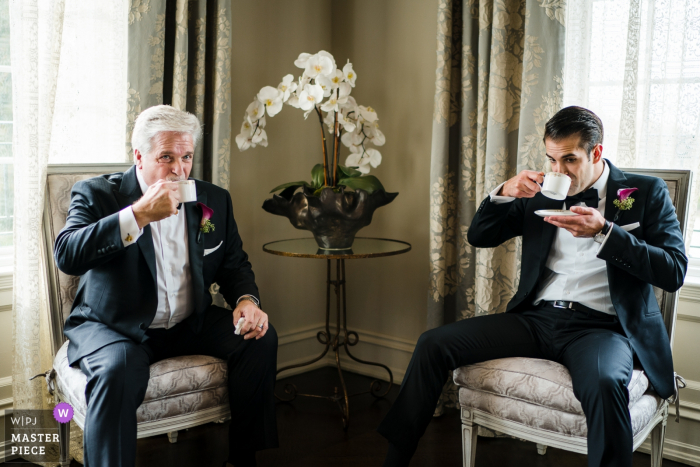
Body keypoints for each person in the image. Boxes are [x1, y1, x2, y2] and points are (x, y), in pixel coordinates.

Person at [377, 106, 687, 467]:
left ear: (596, 152)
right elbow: (480, 236)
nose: (559, 171)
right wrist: (504, 192)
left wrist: (606, 233)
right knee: (432, 344)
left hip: (601, 329)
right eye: (552, 160)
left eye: (570, 160)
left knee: (604, 385)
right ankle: (394, 460)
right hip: (536, 319)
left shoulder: (645, 192)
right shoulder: (542, 192)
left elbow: (674, 270)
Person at [54, 105, 278, 467]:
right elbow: (67, 254)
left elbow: (234, 264)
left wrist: (247, 300)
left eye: (186, 156)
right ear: (139, 156)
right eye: (167, 157)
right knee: (117, 371)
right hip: (116, 326)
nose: (179, 169)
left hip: (190, 322)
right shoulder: (97, 194)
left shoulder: (212, 199)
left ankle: (243, 457)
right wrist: (139, 214)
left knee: (260, 339)